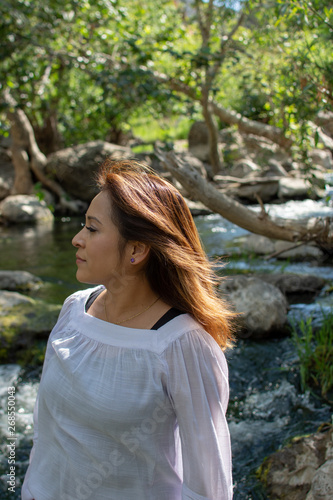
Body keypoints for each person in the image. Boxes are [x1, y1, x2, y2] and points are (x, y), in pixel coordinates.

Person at [22, 158, 235, 500]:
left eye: (92, 229)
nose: (77, 239)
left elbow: (208, 486)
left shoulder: (182, 344)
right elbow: (49, 435)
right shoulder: (75, 309)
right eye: (83, 226)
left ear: (136, 249)